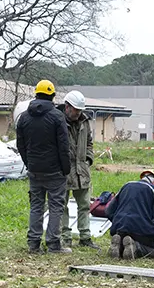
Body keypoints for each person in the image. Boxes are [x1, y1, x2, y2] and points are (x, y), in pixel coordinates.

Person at [16, 79, 74, 254]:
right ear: (52, 96)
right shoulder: (57, 117)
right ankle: (53, 244)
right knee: (56, 206)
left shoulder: (24, 117)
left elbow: (21, 145)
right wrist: (66, 168)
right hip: (55, 170)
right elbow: (64, 146)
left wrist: (29, 163)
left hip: (34, 169)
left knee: (36, 205)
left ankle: (33, 244)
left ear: (36, 94)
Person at [107, 171, 154, 259]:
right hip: (141, 231)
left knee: (125, 239)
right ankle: (136, 247)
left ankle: (119, 245)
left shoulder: (126, 186)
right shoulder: (153, 190)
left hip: (120, 228)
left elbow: (109, 211)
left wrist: (118, 221)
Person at [61, 90, 96, 248]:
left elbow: (89, 142)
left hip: (81, 169)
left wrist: (88, 159)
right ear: (67, 107)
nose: (78, 113)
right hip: (64, 170)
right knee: (62, 205)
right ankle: (65, 237)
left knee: (84, 205)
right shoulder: (58, 121)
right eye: (76, 109)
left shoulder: (85, 122)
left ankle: (85, 237)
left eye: (80, 110)